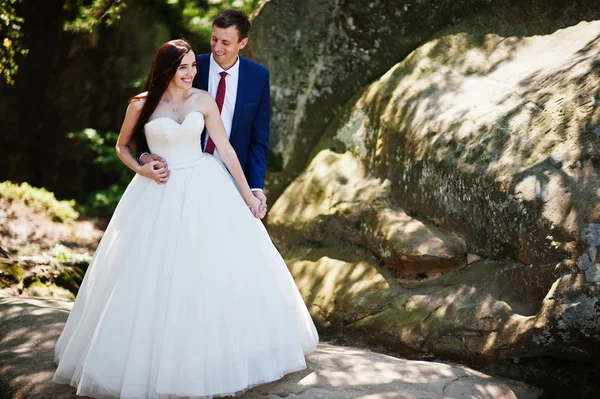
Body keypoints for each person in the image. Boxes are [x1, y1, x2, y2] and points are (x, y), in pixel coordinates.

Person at [52, 38, 319, 399]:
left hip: (205, 185)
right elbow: (122, 147)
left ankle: (218, 358)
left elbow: (226, 150)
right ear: (166, 69)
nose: (191, 73)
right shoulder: (141, 104)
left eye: (194, 65)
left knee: (211, 270)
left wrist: (249, 196)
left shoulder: (202, 100)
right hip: (156, 193)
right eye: (183, 67)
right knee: (152, 276)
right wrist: (142, 168)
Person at [138, 9, 270, 218]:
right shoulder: (189, 67)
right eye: (214, 39)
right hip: (181, 175)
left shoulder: (258, 76)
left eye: (225, 43)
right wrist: (145, 155)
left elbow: (259, 138)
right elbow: (154, 114)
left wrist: (254, 187)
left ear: (242, 43)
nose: (217, 48)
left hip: (233, 173)